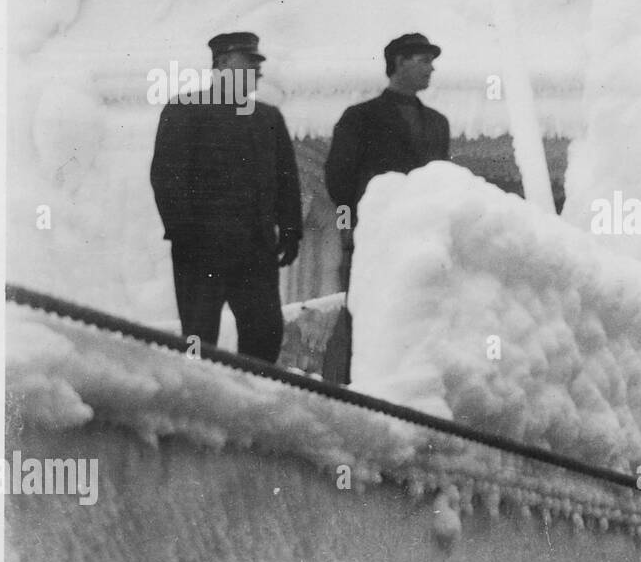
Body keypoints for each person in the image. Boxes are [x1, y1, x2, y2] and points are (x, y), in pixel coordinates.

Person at [150, 32, 302, 363]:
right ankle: (197, 409)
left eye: (258, 64)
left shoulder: (268, 118)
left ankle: (253, 409)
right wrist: (184, 233)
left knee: (265, 337)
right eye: (249, 63)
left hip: (256, 252)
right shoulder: (185, 109)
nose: (258, 71)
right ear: (221, 64)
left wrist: (291, 229)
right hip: (202, 252)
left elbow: (286, 180)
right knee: (199, 343)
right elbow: (166, 177)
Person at [322, 33, 451, 381]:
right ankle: (348, 387)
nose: (432, 68)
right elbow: (339, 179)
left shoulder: (438, 124)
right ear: (399, 62)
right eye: (424, 60)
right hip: (373, 236)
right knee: (364, 315)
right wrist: (353, 228)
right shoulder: (360, 117)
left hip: (422, 239)